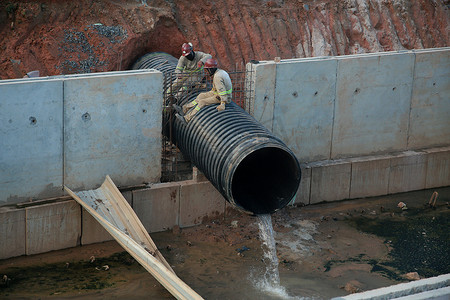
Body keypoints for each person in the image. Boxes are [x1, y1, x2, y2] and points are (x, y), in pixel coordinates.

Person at [173, 58, 232, 124]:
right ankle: (184, 109)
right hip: (216, 93)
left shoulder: (217, 77)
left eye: (207, 69)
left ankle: (186, 119)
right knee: (201, 96)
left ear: (210, 69)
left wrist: (223, 104)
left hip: (221, 97)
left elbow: (222, 91)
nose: (207, 71)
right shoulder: (219, 72)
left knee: (202, 102)